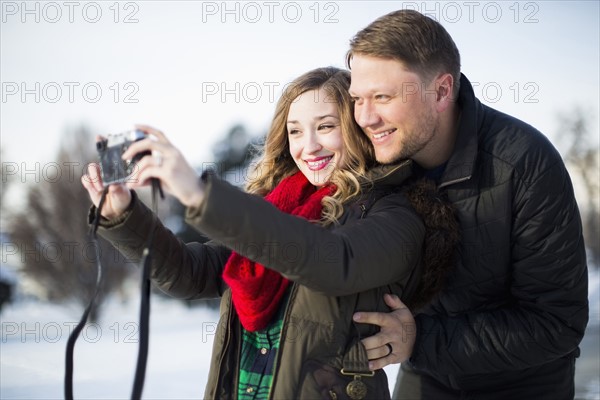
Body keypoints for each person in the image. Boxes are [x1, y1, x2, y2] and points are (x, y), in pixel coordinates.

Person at [81, 67, 458, 399]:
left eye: (325, 126)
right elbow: (188, 273)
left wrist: (200, 193)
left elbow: (330, 261)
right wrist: (124, 215)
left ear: (357, 129)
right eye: (295, 131)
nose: (308, 146)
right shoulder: (275, 209)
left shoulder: (393, 211)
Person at [346, 9, 589, 399]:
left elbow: (557, 322)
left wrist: (418, 339)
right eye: (357, 98)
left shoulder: (525, 163)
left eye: (383, 97)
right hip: (424, 378)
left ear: (442, 91)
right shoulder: (373, 161)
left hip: (525, 385)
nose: (365, 117)